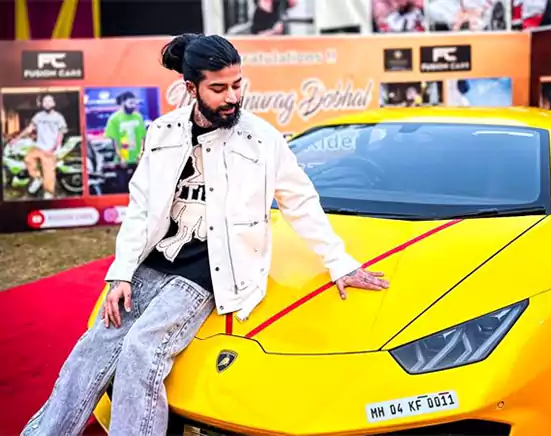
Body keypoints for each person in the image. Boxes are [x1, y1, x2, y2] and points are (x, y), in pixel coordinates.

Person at [21, 33, 389, 436]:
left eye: (237, 84)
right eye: (218, 88)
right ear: (191, 88)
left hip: (211, 267)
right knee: (93, 347)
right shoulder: (162, 132)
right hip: (157, 258)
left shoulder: (262, 139)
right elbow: (141, 209)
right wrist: (121, 273)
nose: (232, 97)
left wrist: (340, 264)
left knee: (142, 350)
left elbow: (300, 202)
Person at [8, 94, 67, 199]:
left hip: (51, 149)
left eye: (49, 101)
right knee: (27, 159)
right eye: (45, 101)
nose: (47, 103)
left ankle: (49, 192)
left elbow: (61, 134)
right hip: (39, 146)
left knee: (48, 171)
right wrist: (16, 139)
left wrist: (54, 148)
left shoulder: (59, 117)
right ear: (42, 104)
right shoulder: (38, 116)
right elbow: (29, 129)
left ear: (53, 103)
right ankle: (38, 178)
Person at [104, 90, 148, 190]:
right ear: (123, 102)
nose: (133, 106)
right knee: (123, 186)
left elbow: (142, 137)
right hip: (123, 159)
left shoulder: (138, 117)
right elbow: (114, 141)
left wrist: (141, 154)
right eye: (130, 103)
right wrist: (121, 157)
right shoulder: (114, 119)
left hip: (137, 159)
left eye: (135, 103)